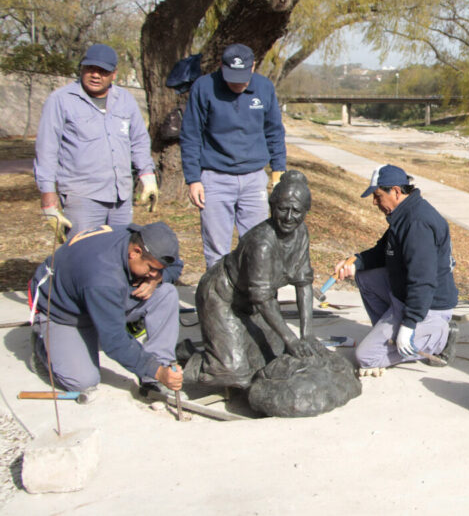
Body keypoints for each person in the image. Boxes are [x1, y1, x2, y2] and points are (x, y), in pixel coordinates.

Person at [181, 170, 316, 389]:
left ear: (305, 212)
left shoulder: (301, 233)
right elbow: (263, 299)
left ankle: (222, 347)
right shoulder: (262, 244)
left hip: (251, 302)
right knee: (235, 376)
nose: (289, 218)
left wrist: (307, 334)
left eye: (297, 211)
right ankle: (193, 359)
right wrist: (291, 338)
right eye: (283, 209)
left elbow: (304, 283)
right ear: (272, 206)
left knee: (271, 358)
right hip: (221, 297)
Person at [29, 222, 184, 402]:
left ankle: (154, 375)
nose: (153, 274)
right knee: (83, 381)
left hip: (97, 295)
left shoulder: (143, 239)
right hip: (64, 311)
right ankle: (42, 345)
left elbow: (175, 266)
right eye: (152, 269)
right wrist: (156, 370)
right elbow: (114, 341)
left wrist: (158, 278)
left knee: (167, 294)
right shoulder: (102, 277)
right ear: (135, 252)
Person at [333, 165, 458, 376]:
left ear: (396, 192)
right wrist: (354, 263)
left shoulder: (417, 223)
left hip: (428, 306)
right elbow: (383, 252)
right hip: (405, 296)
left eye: (378, 196)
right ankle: (390, 336)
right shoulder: (403, 214)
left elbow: (423, 281)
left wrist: (409, 325)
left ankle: (438, 340)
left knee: (367, 358)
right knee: (364, 277)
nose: (375, 202)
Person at [33, 43, 159, 242]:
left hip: (121, 197)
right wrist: (48, 198)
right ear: (82, 69)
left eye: (103, 71)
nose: (96, 75)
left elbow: (139, 140)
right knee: (85, 254)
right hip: (82, 197)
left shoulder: (125, 99)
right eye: (90, 69)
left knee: (119, 254)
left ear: (114, 74)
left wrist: (148, 176)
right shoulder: (60, 101)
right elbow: (46, 151)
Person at [180, 43, 287, 269]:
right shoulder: (204, 87)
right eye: (232, 76)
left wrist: (279, 170)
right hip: (214, 178)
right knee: (217, 250)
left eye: (243, 77)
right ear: (221, 66)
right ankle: (219, 301)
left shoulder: (264, 88)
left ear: (254, 66)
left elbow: (274, 131)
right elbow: (190, 135)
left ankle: (250, 300)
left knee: (257, 246)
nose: (238, 83)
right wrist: (193, 179)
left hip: (253, 178)